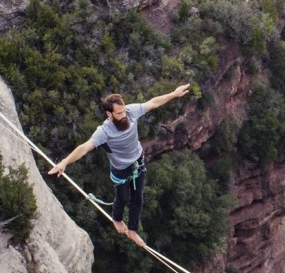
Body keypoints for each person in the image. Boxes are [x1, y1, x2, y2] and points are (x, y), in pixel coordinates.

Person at [48, 84, 191, 247]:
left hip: (137, 162)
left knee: (138, 198)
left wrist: (173, 94)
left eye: (123, 110)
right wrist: (64, 162)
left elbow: (153, 103)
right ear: (109, 113)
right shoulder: (104, 131)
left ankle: (132, 230)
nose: (123, 115)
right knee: (122, 198)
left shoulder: (131, 112)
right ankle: (117, 219)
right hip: (120, 169)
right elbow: (84, 147)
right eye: (119, 113)